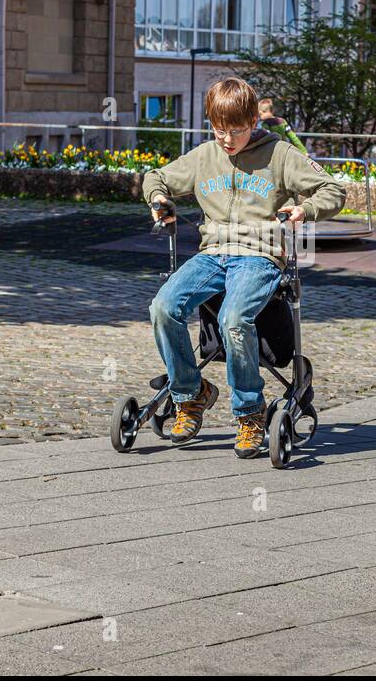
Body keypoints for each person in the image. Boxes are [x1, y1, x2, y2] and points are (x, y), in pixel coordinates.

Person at [143, 77, 346, 457]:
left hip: (260, 255)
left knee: (234, 319)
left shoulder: (281, 155)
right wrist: (158, 199)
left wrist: (305, 208)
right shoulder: (205, 156)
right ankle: (191, 394)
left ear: (254, 120)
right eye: (218, 129)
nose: (226, 139)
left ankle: (249, 411)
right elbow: (156, 177)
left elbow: (332, 189)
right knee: (163, 307)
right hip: (213, 253)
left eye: (235, 130)